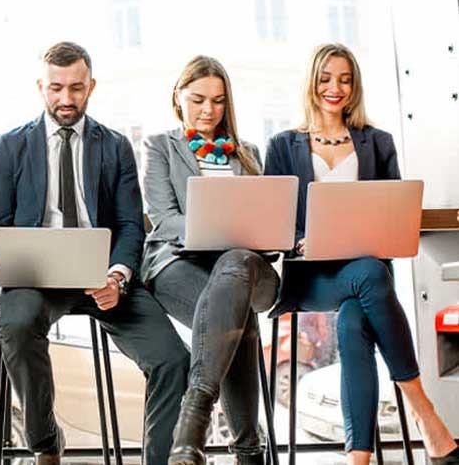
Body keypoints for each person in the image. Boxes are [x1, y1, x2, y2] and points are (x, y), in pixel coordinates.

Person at [0, 41, 190, 465]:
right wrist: (17, 265)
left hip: (104, 275)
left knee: (173, 359)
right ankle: (46, 444)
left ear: (91, 86)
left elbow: (131, 224)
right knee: (18, 327)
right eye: (56, 88)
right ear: (40, 87)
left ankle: (158, 461)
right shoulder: (10, 146)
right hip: (36, 278)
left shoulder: (114, 146)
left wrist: (118, 276)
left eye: (76, 88)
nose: (66, 98)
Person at [265, 43, 459, 465]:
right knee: (370, 275)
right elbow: (271, 220)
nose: (335, 88)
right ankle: (423, 410)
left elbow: (394, 212)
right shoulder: (283, 145)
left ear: (355, 87)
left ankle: (359, 460)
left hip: (365, 272)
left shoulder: (378, 142)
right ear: (311, 83)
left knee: (355, 318)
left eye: (345, 80)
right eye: (326, 79)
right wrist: (300, 240)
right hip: (314, 277)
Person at [141, 56, 279, 465]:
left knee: (234, 271)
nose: (208, 110)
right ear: (178, 98)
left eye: (218, 101)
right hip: (177, 263)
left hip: (244, 266)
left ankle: (193, 422)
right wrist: (214, 232)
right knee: (233, 313)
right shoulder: (159, 146)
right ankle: (249, 451)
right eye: (198, 99)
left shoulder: (248, 153)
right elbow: (164, 218)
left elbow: (264, 222)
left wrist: (260, 234)